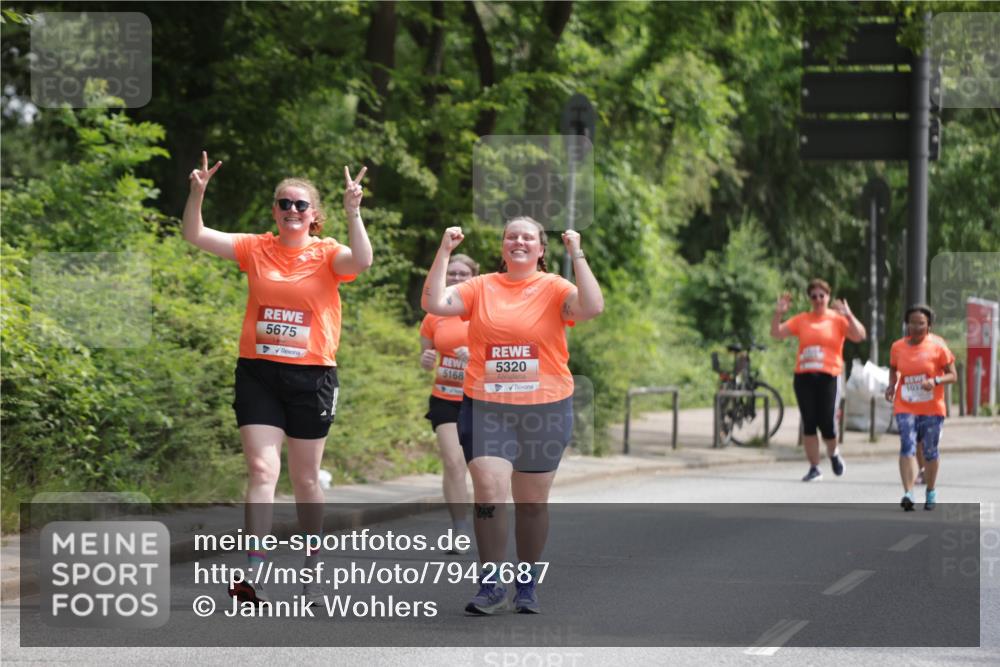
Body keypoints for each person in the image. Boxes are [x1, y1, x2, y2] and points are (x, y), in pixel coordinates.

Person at [182, 152, 372, 602]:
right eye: (284, 203)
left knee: (306, 479)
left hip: (312, 376)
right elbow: (194, 234)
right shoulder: (256, 247)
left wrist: (354, 212)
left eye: (301, 205)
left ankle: (312, 565)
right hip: (259, 372)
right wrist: (197, 193)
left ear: (314, 216)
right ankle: (255, 569)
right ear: (274, 211)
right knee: (262, 468)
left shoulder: (327, 254)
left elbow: (362, 261)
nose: (291, 210)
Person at [422, 217, 603, 615]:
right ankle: (490, 583)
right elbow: (434, 303)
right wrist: (444, 251)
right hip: (487, 405)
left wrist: (578, 253)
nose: (518, 241)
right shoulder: (481, 286)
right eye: (511, 236)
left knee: (532, 503)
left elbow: (592, 307)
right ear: (503, 247)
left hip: (545, 407)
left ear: (540, 250)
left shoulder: (555, 287)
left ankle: (526, 580)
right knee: (488, 491)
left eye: (528, 237)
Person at [771, 279, 866, 481]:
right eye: (813, 296)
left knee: (827, 423)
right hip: (804, 376)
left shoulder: (837, 319)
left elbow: (859, 336)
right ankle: (814, 467)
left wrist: (848, 314)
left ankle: (833, 454)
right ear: (810, 299)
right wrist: (778, 313)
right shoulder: (802, 319)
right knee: (809, 422)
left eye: (821, 296)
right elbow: (776, 333)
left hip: (829, 375)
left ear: (828, 297)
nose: (818, 300)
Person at [419, 253, 479, 552]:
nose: (456, 278)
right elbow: (426, 358)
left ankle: (487, 521)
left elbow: (503, 352)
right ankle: (460, 529)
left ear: (474, 277)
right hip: (445, 397)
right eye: (452, 273)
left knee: (481, 467)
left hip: (481, 399)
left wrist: (476, 358)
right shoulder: (434, 314)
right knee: (454, 463)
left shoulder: (483, 310)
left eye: (462, 273)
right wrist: (426, 359)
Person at [885, 305, 956, 511]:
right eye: (912, 323)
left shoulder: (938, 347)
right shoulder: (897, 347)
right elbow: (893, 368)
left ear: (929, 326)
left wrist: (935, 381)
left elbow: (953, 375)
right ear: (906, 324)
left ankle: (931, 490)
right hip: (905, 405)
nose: (916, 327)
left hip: (932, 408)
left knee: (930, 451)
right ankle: (908, 492)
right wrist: (892, 385)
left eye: (921, 323)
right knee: (907, 445)